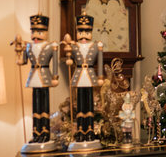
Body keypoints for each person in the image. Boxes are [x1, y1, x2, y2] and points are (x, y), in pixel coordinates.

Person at [13, 15, 59, 148]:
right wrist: (19, 56)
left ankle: (45, 133)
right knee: (35, 107)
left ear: (46, 32)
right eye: (33, 32)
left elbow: (54, 63)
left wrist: (55, 77)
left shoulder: (51, 46)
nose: (35, 36)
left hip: (44, 76)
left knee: (44, 106)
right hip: (33, 77)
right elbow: (23, 61)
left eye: (39, 32)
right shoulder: (28, 46)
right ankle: (36, 133)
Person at [64, 12, 104, 145]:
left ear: (91, 31)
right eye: (81, 31)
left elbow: (101, 60)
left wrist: (100, 77)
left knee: (90, 105)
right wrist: (68, 55)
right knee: (80, 105)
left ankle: (90, 130)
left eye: (87, 31)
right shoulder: (74, 45)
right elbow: (69, 57)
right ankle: (81, 131)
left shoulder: (96, 46)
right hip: (79, 75)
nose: (84, 35)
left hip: (90, 76)